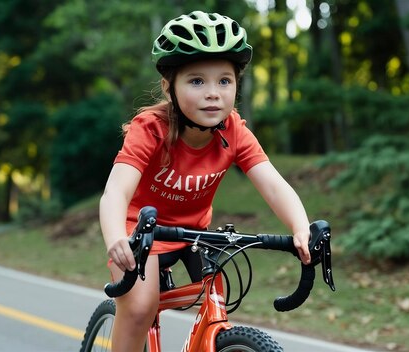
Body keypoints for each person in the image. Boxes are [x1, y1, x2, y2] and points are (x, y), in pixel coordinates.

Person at [99, 10, 312, 352]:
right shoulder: (150, 129)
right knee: (140, 307)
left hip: (194, 232)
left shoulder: (234, 131)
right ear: (170, 87)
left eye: (224, 81)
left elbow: (273, 184)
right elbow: (115, 192)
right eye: (197, 81)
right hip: (139, 230)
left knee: (219, 297)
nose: (213, 93)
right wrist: (115, 238)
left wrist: (300, 228)